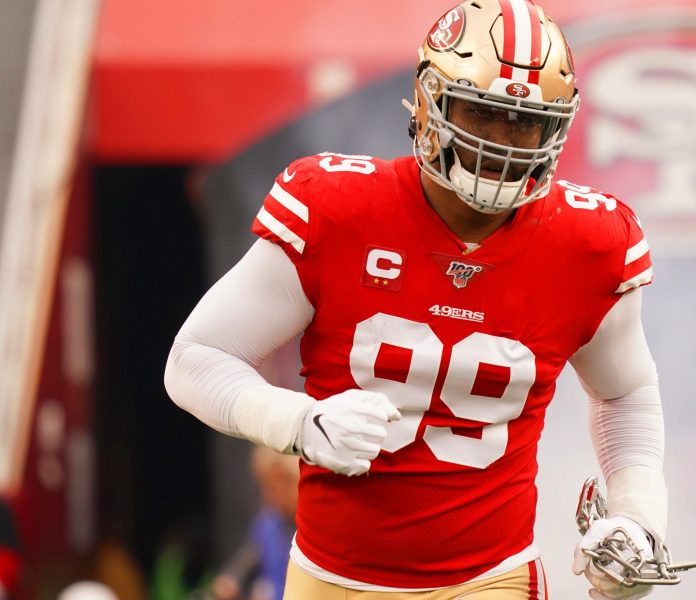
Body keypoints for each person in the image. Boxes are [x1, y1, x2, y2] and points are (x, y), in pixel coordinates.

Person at [165, 1, 668, 598]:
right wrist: (297, 421)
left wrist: (638, 517)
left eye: (523, 121)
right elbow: (196, 358)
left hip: (491, 576)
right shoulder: (339, 209)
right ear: (432, 101)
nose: (500, 142)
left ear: (555, 128)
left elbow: (624, 392)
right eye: (482, 112)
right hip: (334, 577)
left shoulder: (588, 243)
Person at [209, 446, 298, 600]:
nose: (272, 494)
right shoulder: (267, 525)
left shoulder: (318, 528)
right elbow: (240, 568)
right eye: (266, 486)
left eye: (282, 484)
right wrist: (229, 583)